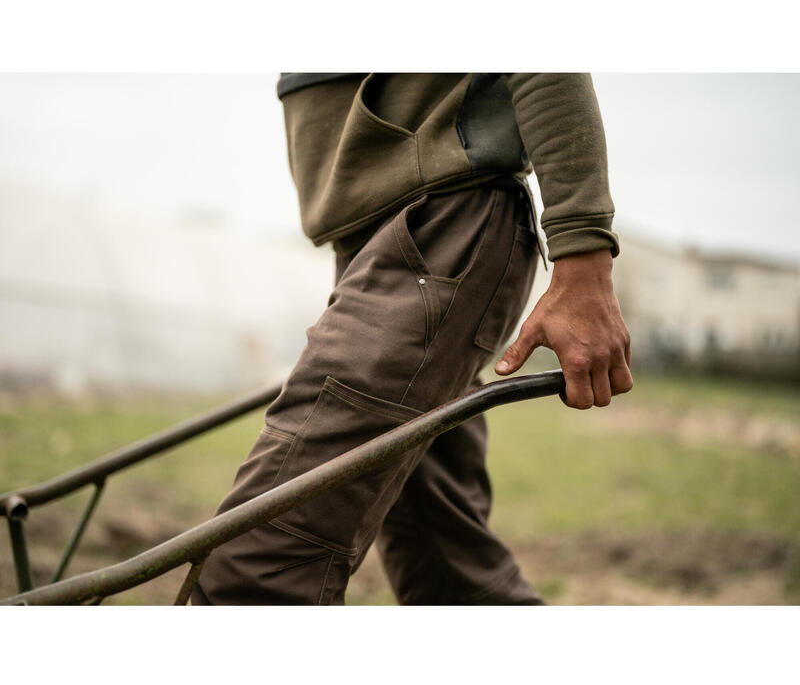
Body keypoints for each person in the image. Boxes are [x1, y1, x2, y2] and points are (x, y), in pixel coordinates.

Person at [192, 73, 633, 605]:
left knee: (257, 565)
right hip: (377, 234)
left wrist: (583, 251)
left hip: (439, 227)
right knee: (445, 564)